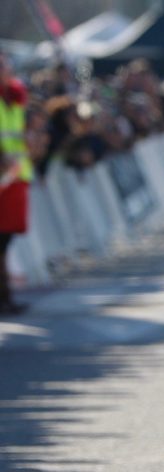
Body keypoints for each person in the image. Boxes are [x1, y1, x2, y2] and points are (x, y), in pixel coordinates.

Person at [0, 51, 32, 315]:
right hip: (3, 176)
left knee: (6, 240)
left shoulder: (15, 98)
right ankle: (5, 295)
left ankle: (5, 294)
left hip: (15, 176)